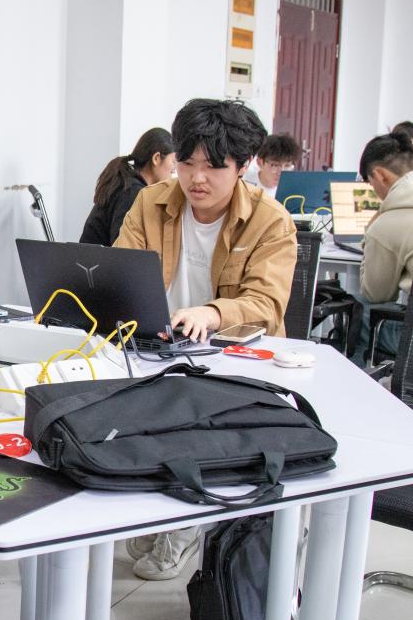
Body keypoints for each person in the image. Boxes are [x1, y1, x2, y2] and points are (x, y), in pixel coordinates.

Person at [114, 98, 298, 580]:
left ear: (243, 165)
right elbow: (119, 270)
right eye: (187, 162)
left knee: (192, 412)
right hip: (157, 347)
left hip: (231, 359)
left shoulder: (271, 221)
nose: (196, 178)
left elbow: (266, 305)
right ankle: (156, 502)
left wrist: (212, 314)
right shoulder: (150, 202)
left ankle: (185, 521)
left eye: (214, 166)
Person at [350, 131, 413, 366]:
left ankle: (355, 379)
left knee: (359, 310)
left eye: (370, 183)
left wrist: (370, 234)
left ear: (379, 175)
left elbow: (376, 293)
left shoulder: (387, 223)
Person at [80, 127, 176, 246]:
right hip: (96, 258)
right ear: (156, 158)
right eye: (173, 162)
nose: (174, 170)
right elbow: (124, 249)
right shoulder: (132, 192)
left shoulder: (127, 183)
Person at [242, 132, 301, 202]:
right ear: (259, 162)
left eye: (287, 166)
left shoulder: (294, 191)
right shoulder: (243, 182)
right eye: (275, 165)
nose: (281, 172)